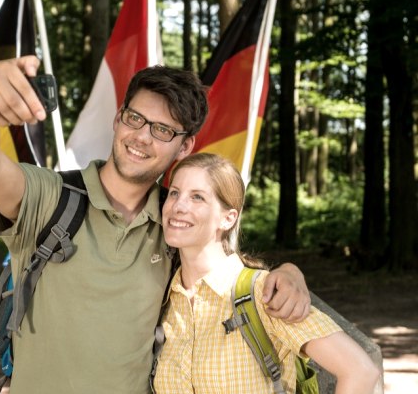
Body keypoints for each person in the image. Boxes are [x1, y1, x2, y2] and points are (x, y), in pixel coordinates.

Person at [0, 56, 312, 394]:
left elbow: (228, 271)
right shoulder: (51, 197)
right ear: (118, 119)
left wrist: (290, 273)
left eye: (162, 130)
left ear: (185, 145)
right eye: (135, 118)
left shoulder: (176, 220)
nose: (142, 136)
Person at [154, 152, 380, 394]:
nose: (178, 206)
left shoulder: (262, 293)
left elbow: (360, 371)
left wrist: (292, 271)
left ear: (228, 218)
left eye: (197, 197)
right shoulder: (165, 297)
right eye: (175, 193)